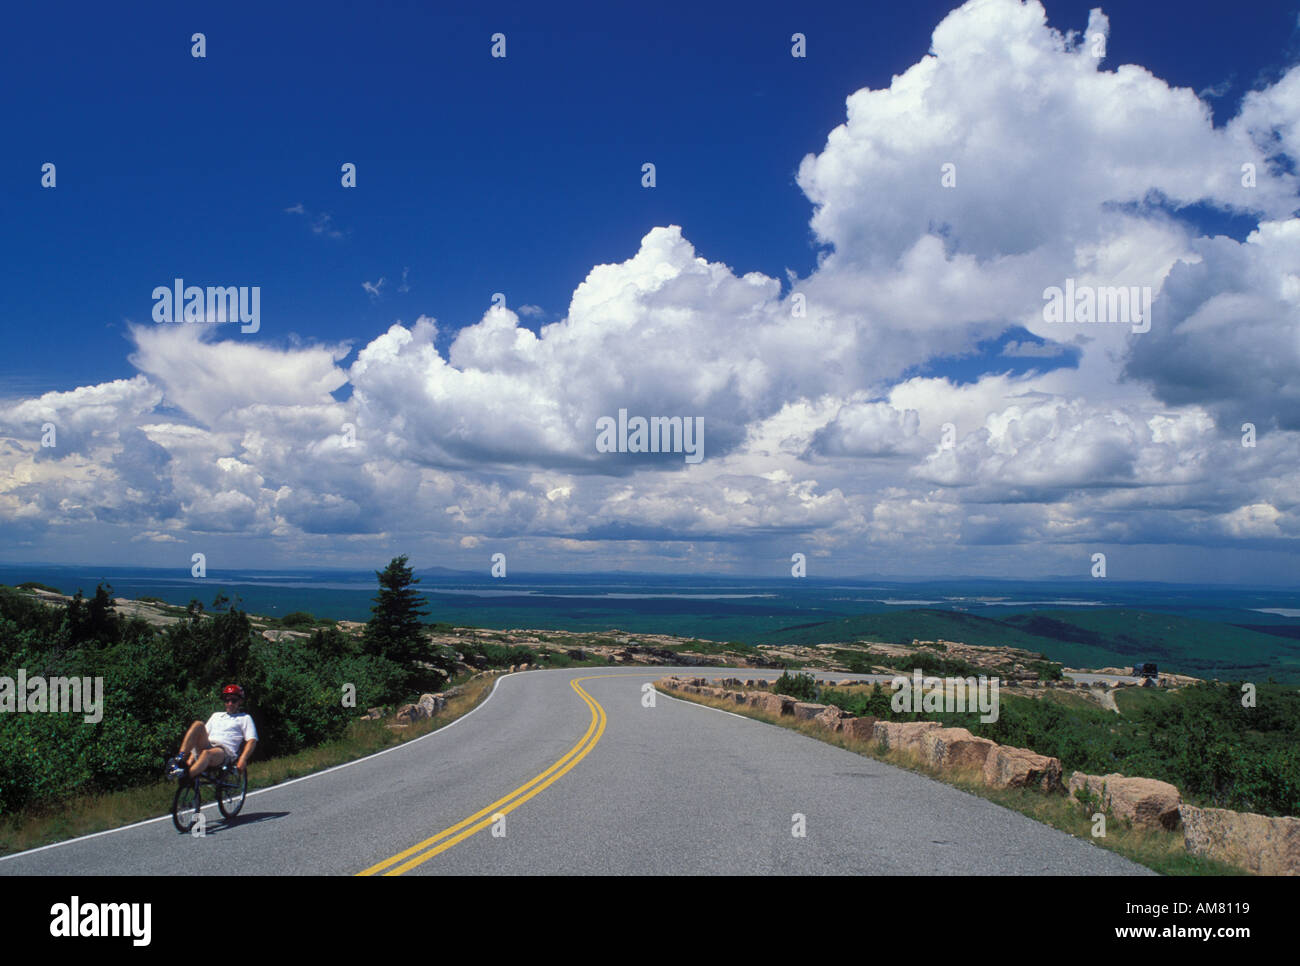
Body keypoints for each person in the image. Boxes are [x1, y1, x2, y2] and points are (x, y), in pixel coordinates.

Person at [168, 684, 258, 782]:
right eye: (227, 700)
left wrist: (243, 759)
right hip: (208, 745)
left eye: (234, 700)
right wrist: (190, 760)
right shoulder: (216, 716)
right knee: (198, 724)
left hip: (224, 751)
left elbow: (251, 740)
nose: (230, 703)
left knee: (207, 753)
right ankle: (179, 759)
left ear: (240, 701)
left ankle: (187, 776)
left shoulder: (245, 718)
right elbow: (198, 737)